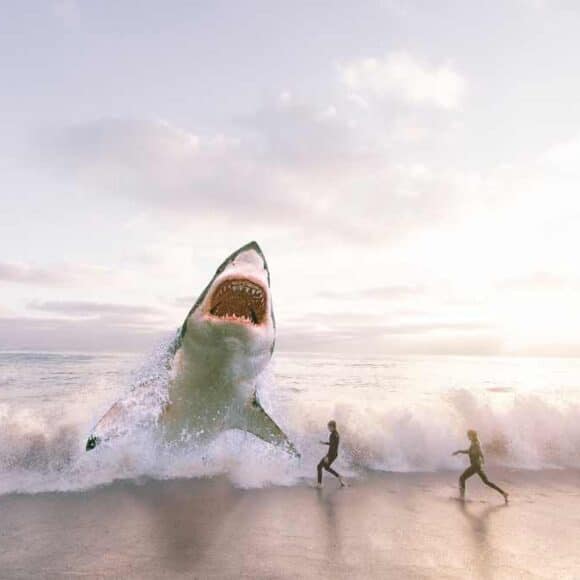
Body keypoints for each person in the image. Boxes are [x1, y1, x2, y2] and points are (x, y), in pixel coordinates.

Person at [452, 429, 508, 503]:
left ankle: (462, 497)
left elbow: (475, 451)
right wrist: (460, 451)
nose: (467, 436)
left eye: (468, 435)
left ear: (472, 435)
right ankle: (503, 493)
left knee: (462, 478)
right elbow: (478, 452)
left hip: (475, 466)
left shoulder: (475, 444)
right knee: (486, 482)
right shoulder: (475, 443)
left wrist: (461, 452)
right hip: (477, 466)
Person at [317, 420, 345, 488]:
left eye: (329, 427)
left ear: (332, 427)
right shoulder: (336, 434)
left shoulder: (333, 435)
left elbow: (332, 447)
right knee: (326, 467)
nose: (328, 428)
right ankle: (339, 476)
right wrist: (324, 443)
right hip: (334, 454)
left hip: (331, 454)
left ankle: (319, 484)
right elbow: (332, 444)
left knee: (319, 466)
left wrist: (327, 457)